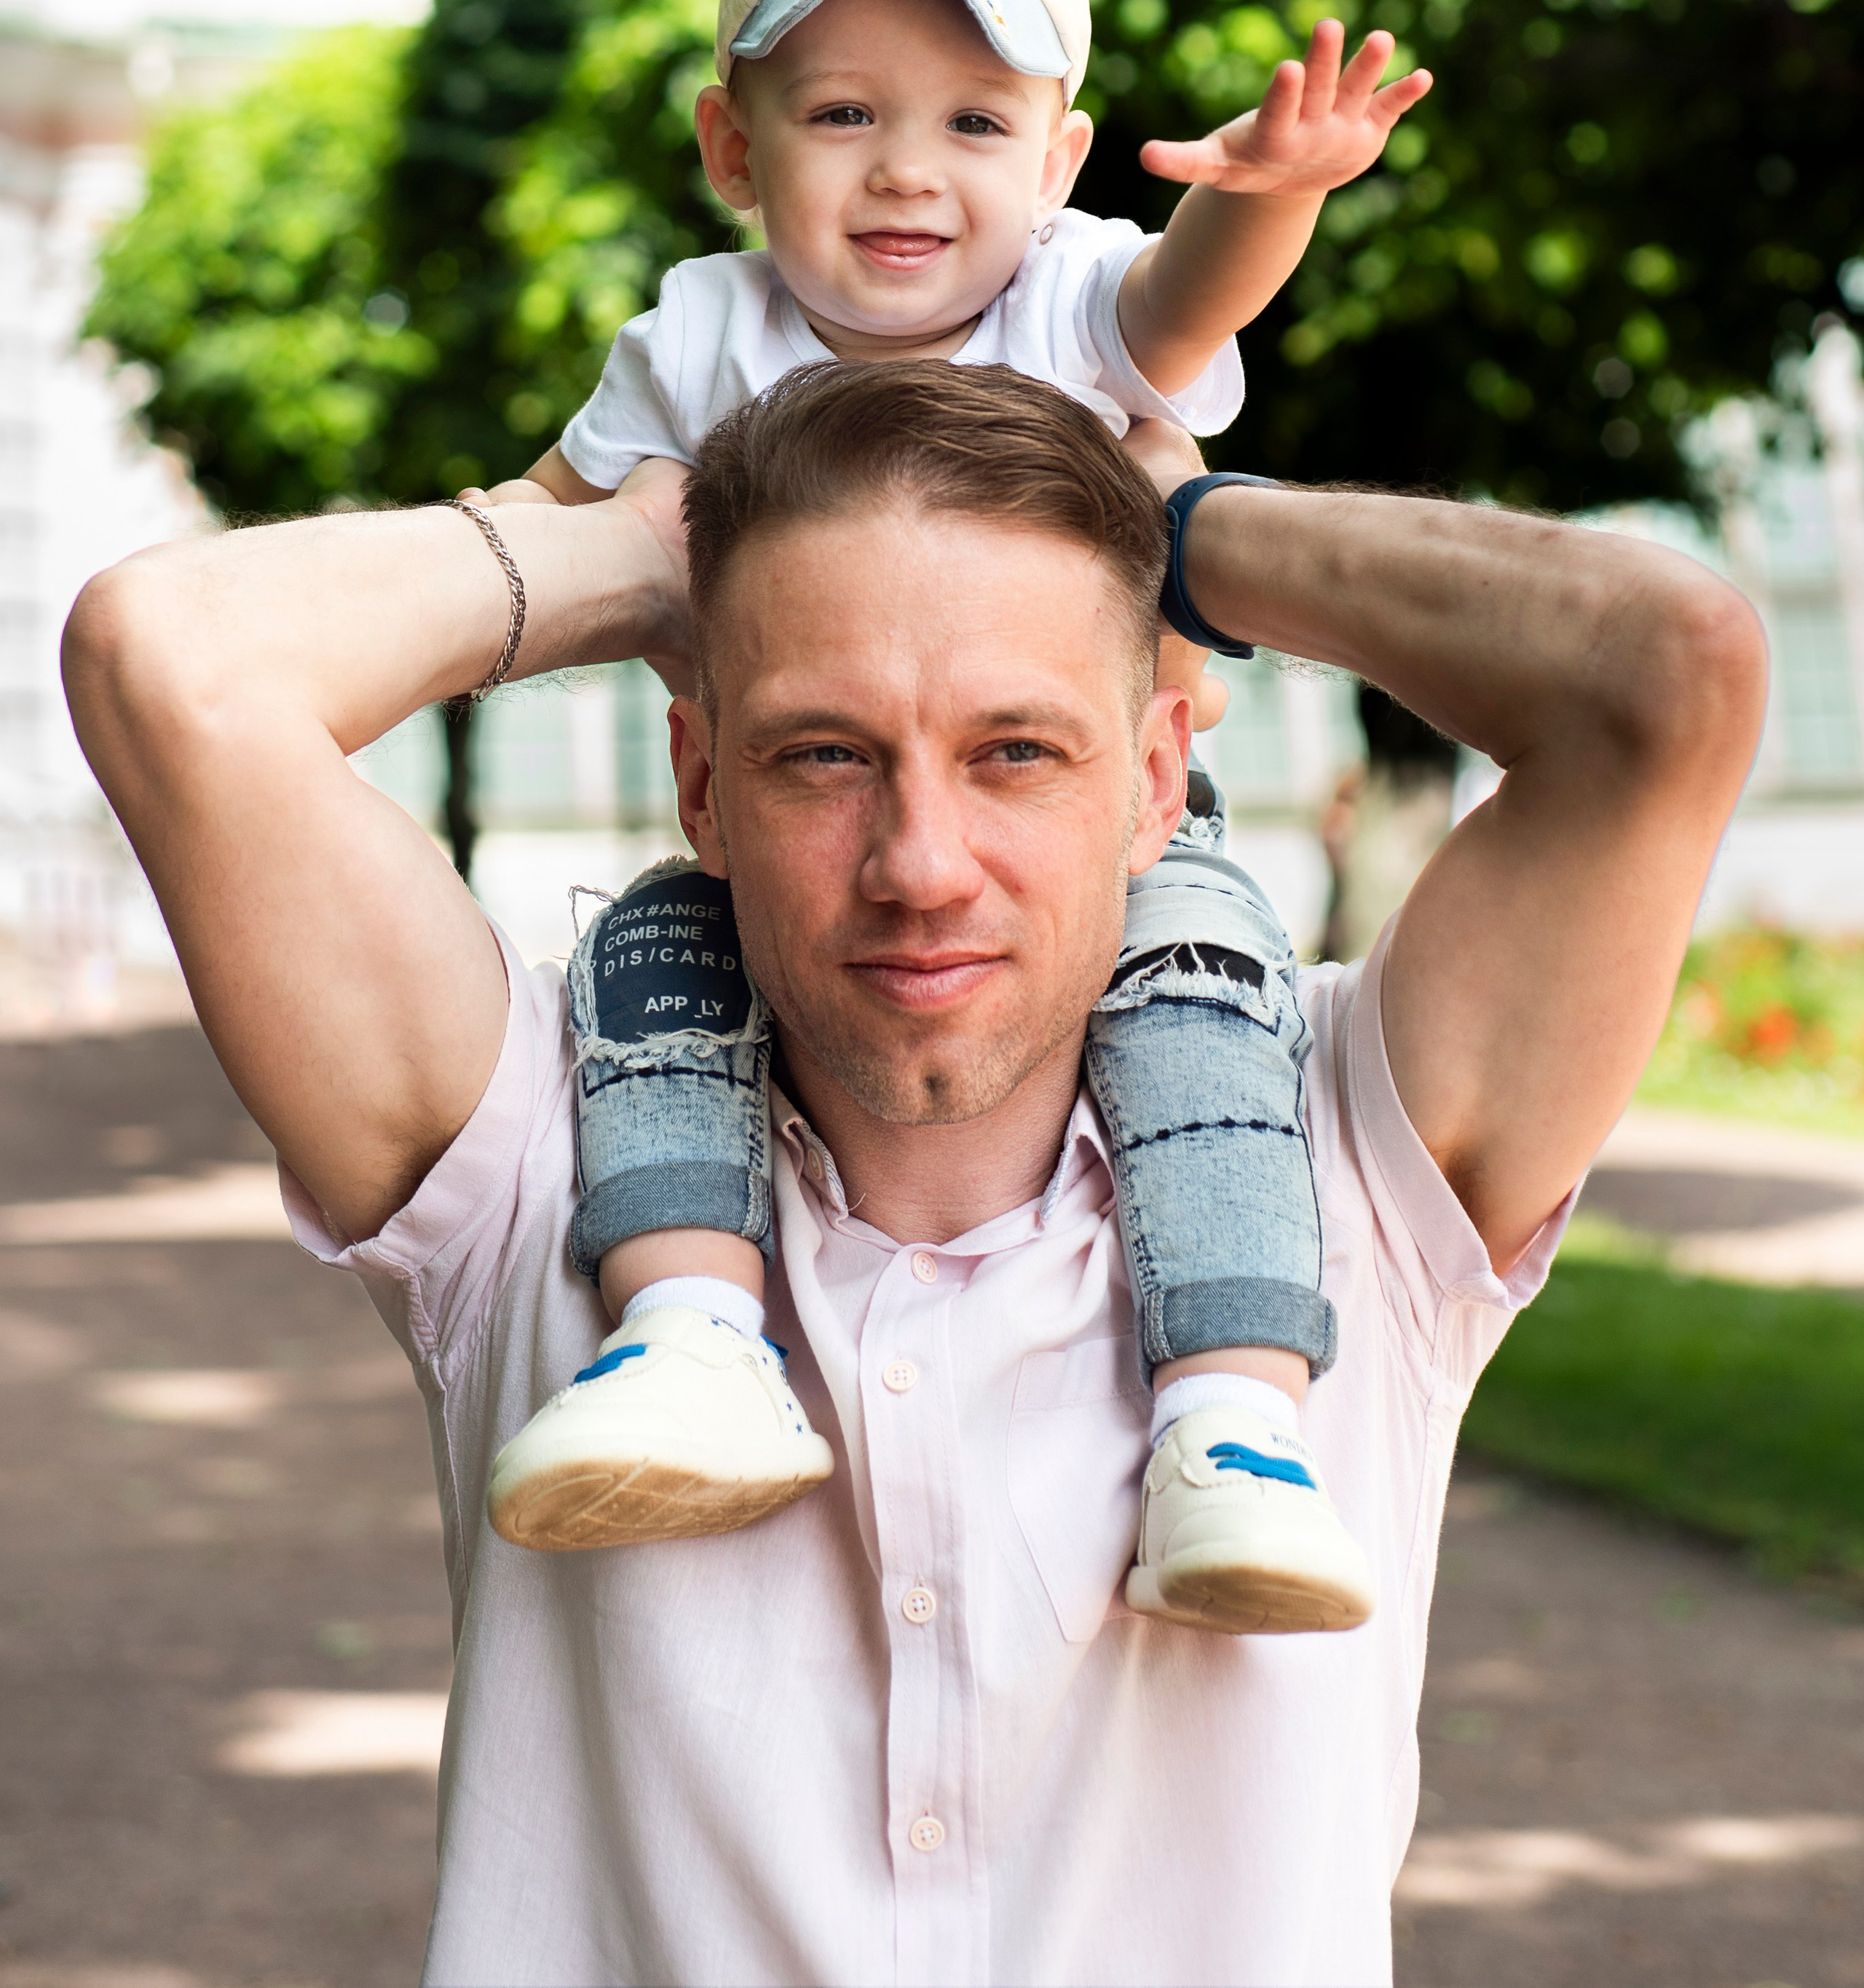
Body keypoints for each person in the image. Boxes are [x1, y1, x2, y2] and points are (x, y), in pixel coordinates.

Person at [63, 362, 1764, 1987]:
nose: (919, 865)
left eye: (1016, 750)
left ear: (1157, 781)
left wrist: (1192, 537)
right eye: (823, 753)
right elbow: (170, 660)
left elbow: (1664, 667)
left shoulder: (1335, 1155)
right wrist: (638, 558)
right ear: (701, 784)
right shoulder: (536, 1155)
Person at [474, 0, 1433, 1630]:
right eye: (841, 115)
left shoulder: (1067, 298)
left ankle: (1232, 1421)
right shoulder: (699, 334)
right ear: (730, 147)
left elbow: (1187, 304)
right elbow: (527, 530)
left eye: (977, 127)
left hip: (1096, 828)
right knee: (652, 987)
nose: (909, 171)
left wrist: (1270, 194)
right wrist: (518, 580)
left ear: (1059, 161)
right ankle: (690, 1332)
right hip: (766, 832)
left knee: (1207, 1032)